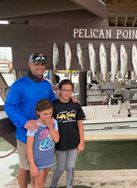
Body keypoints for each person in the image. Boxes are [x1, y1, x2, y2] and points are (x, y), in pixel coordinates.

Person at [4, 53, 57, 188]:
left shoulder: (46, 85)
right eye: (36, 64)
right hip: (25, 135)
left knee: (44, 166)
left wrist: (68, 99)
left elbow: (53, 103)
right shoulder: (18, 85)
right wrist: (24, 122)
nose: (40, 67)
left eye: (43, 64)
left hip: (44, 136)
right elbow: (9, 106)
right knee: (25, 167)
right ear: (30, 65)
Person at [50, 79, 85, 188]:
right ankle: (53, 185)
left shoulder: (75, 105)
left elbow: (80, 124)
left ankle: (69, 186)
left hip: (74, 141)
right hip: (60, 142)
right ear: (59, 90)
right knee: (60, 167)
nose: (67, 93)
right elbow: (49, 124)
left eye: (70, 90)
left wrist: (82, 142)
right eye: (64, 90)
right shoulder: (54, 105)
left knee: (70, 167)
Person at [27, 99, 59, 188]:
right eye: (45, 114)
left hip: (49, 159)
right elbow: (29, 147)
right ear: (38, 113)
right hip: (38, 161)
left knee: (41, 183)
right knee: (39, 185)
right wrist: (32, 165)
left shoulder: (54, 122)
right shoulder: (34, 125)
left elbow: (56, 139)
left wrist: (50, 126)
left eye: (50, 113)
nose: (48, 116)